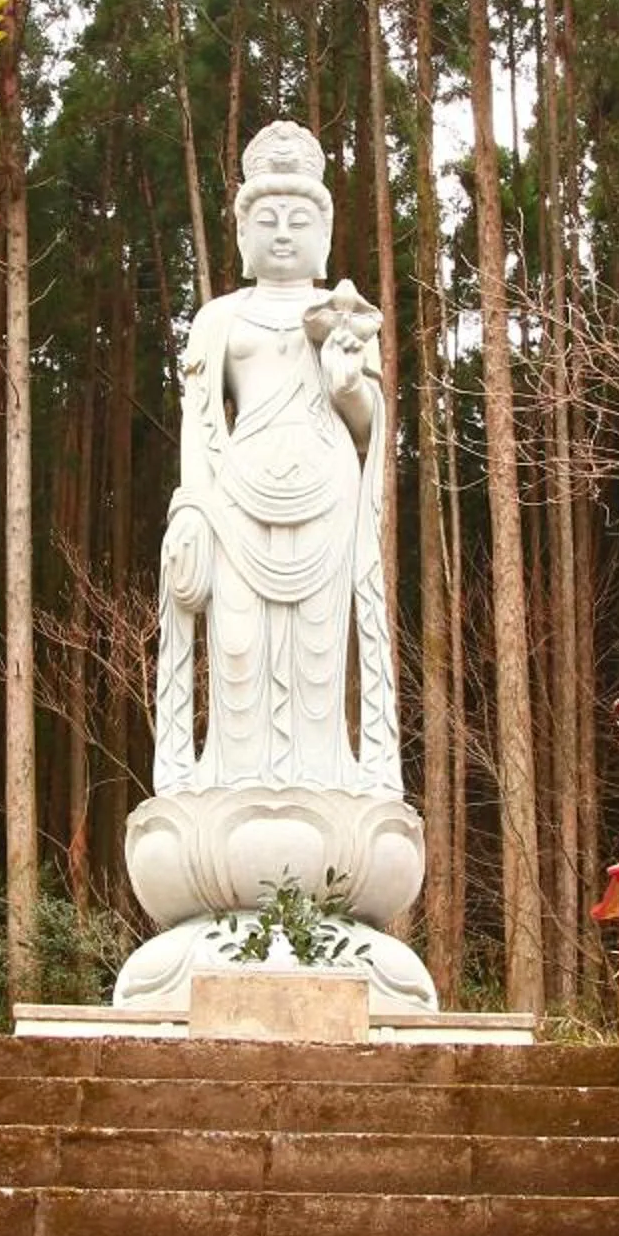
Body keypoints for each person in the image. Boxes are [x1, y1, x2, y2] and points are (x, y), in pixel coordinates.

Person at [153, 121, 401, 796]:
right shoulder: (219, 318)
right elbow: (200, 421)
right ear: (242, 234)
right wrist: (192, 507)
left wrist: (347, 383)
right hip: (238, 494)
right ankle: (233, 783)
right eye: (268, 220)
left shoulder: (345, 313)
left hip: (327, 490)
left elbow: (370, 425)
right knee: (237, 646)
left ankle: (324, 782)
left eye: (299, 221)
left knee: (320, 649)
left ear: (325, 233)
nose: (284, 234)